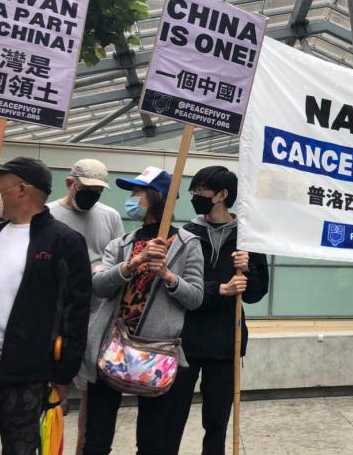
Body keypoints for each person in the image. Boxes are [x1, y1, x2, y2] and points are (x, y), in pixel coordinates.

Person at [81, 166, 204, 455]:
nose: (132, 197)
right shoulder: (121, 243)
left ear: (158, 196)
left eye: (138, 191)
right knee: (96, 437)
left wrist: (168, 275)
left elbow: (196, 297)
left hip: (155, 353)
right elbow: (99, 285)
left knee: (151, 440)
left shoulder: (187, 245)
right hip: (110, 348)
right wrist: (132, 264)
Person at [165, 166, 269, 455]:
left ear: (222, 195)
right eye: (194, 191)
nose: (195, 196)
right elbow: (176, 286)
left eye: (201, 191)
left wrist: (248, 270)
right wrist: (218, 289)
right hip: (183, 341)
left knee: (217, 424)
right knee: (171, 419)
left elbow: (256, 294)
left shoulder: (248, 238)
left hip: (226, 343)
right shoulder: (186, 235)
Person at [0, 157, 92, 455]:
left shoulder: (63, 241)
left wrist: (64, 373)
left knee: (22, 448)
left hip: (28, 372)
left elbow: (77, 311)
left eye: (2, 184)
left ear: (22, 189)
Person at [47, 158, 124, 455]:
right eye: (86, 189)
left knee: (92, 397)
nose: (92, 196)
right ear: (70, 183)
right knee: (53, 393)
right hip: (58, 318)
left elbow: (117, 263)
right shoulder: (50, 214)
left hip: (97, 317)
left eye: (98, 191)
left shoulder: (110, 217)